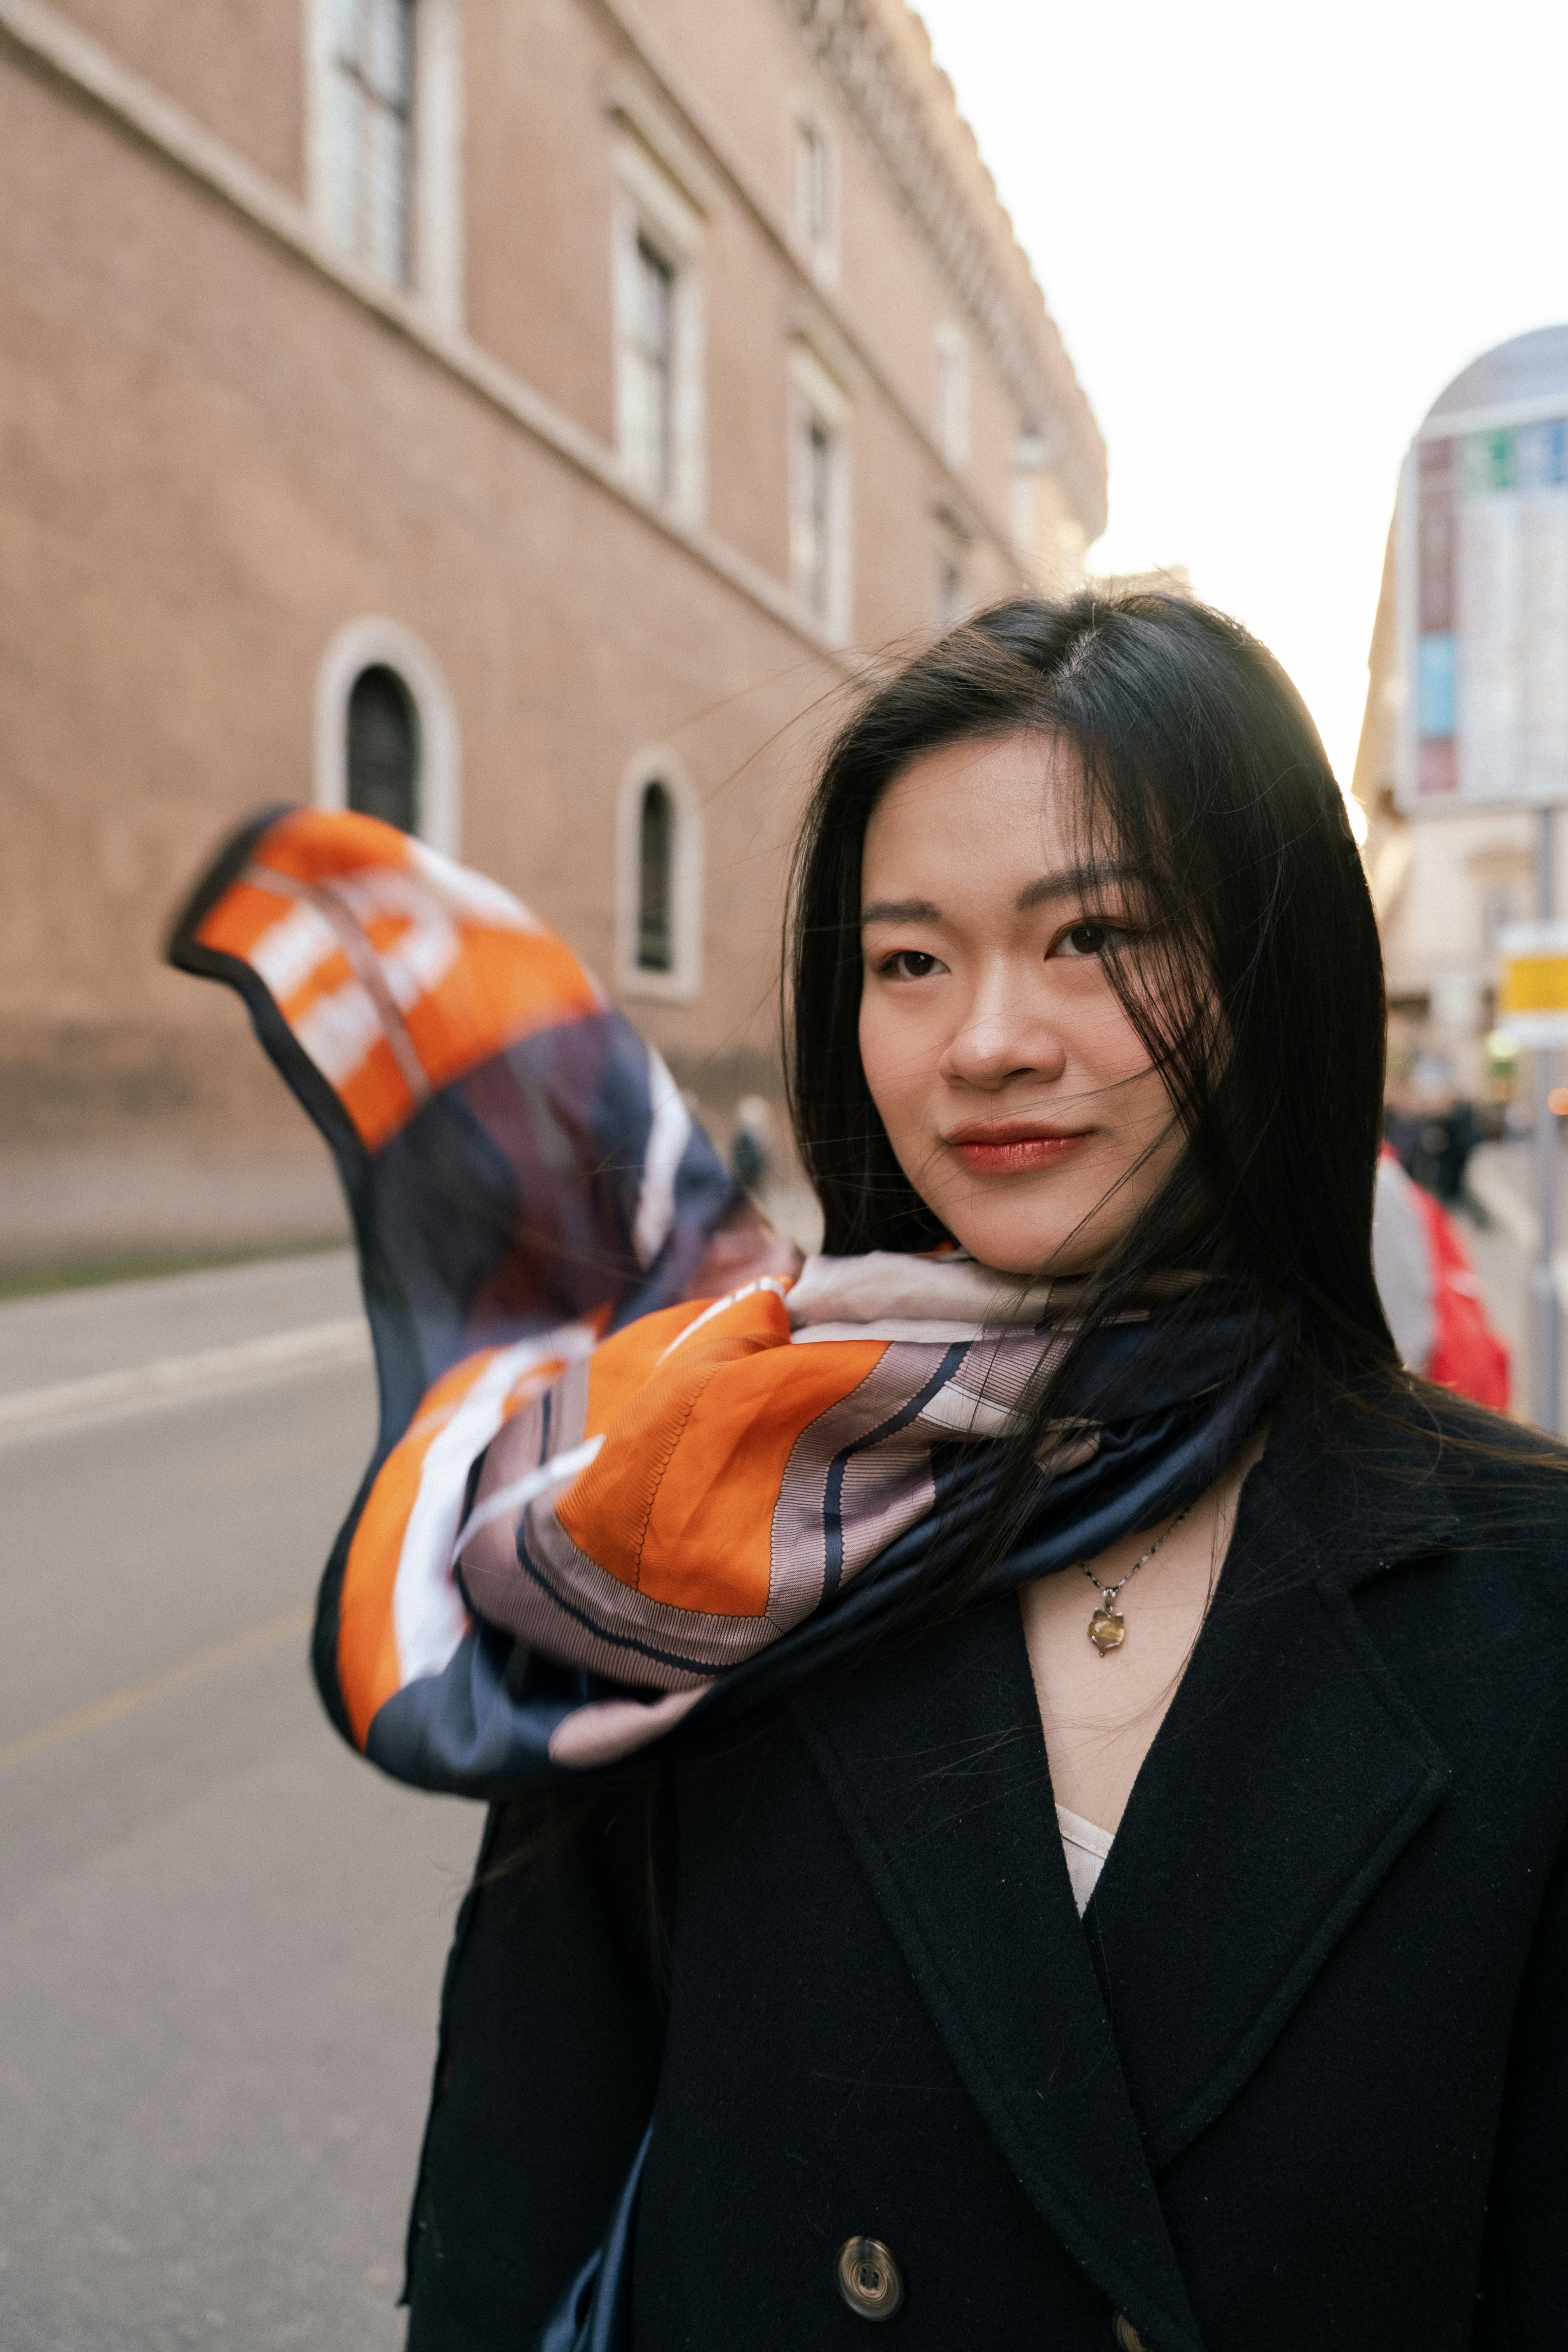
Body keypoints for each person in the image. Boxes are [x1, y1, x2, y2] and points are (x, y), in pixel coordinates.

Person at [170, 593, 1567, 2352]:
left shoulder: (1529, 1591)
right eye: (909, 960)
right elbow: (518, 2211)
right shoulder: (712, 1498)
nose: (985, 1039)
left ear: (1273, 981)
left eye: (1093, 940)